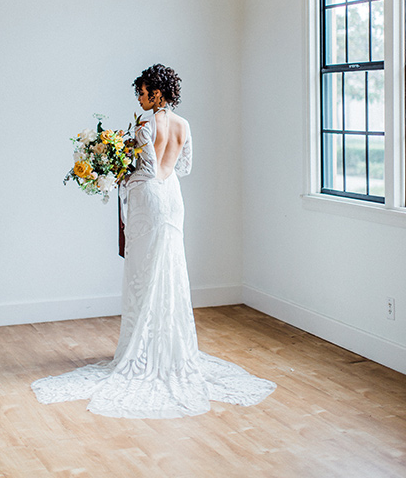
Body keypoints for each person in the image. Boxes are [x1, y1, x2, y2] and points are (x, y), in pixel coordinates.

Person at [31, 64, 276, 418]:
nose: (140, 98)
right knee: (170, 271)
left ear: (157, 92)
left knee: (142, 275)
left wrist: (115, 174)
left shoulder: (146, 125)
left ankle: (140, 352)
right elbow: (184, 168)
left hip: (148, 199)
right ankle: (169, 350)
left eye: (143, 92)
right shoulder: (184, 125)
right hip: (173, 200)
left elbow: (144, 170)